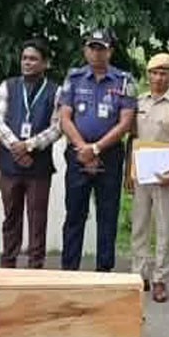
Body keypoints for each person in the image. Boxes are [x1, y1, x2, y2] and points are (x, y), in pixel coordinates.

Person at [58, 28, 137, 272]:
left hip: (110, 155)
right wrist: (84, 148)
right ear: (85, 50)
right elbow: (65, 117)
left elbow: (125, 123)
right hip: (77, 154)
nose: (96, 52)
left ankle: (104, 271)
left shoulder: (125, 80)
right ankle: (69, 270)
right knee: (74, 214)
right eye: (92, 47)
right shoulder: (73, 78)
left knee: (107, 214)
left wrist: (96, 148)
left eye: (101, 48)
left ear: (110, 51)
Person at [0, 38, 62, 269]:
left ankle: (35, 265)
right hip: (10, 165)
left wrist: (29, 145)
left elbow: (58, 127)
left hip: (38, 167)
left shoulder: (55, 91)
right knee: (11, 216)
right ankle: (8, 263)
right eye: (24, 58)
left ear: (45, 64)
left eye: (33, 59)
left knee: (37, 218)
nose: (27, 63)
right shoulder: (7, 86)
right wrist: (16, 145)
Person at [127, 53, 169, 302]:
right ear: (148, 74)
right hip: (141, 172)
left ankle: (160, 278)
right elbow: (132, 139)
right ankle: (138, 274)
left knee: (164, 227)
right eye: (154, 72)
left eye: (163, 73)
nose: (158, 77)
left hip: (166, 174)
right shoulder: (139, 102)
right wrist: (128, 173)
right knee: (139, 224)